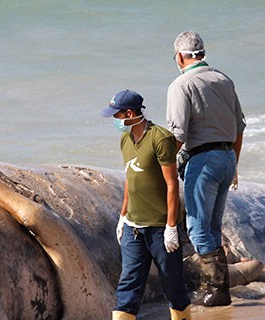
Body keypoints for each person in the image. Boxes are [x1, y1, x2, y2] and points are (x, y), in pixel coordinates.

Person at [166, 31, 246, 307]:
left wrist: (162, 165)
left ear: (179, 56)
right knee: (212, 227)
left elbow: (177, 134)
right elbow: (239, 128)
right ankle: (216, 288)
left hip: (202, 159)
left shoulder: (181, 84)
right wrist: (234, 162)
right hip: (226, 158)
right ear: (202, 53)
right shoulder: (224, 79)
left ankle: (216, 289)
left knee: (198, 228)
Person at [101, 89, 191, 320]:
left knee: (173, 285)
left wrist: (171, 227)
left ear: (129, 113)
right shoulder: (125, 139)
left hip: (160, 227)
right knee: (128, 284)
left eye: (117, 115)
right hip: (133, 227)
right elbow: (130, 180)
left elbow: (172, 184)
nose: (115, 120)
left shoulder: (160, 138)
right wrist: (123, 217)